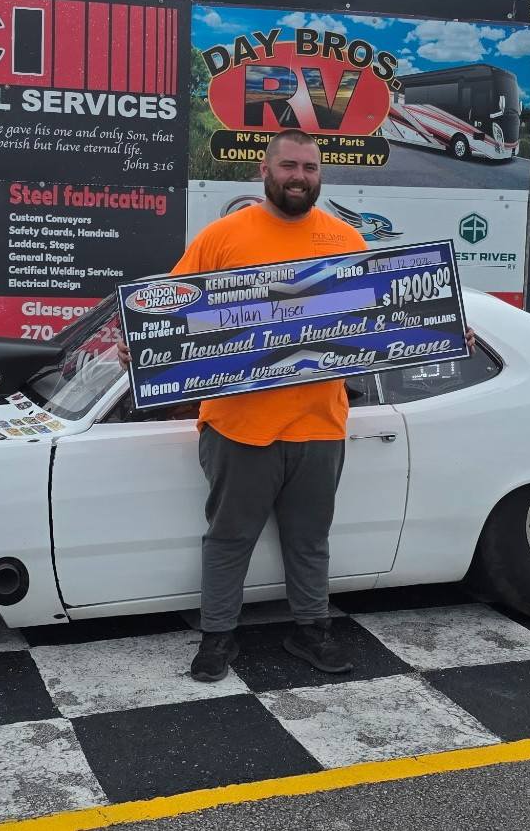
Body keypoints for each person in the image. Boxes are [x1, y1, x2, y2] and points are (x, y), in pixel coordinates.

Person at [167, 128, 367, 683]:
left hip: (319, 423)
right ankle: (217, 636)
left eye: (309, 167)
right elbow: (173, 312)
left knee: (310, 540)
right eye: (289, 166)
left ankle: (312, 630)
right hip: (238, 424)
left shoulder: (346, 239)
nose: (299, 177)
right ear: (264, 170)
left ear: (320, 174)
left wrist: (444, 332)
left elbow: (378, 318)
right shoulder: (222, 237)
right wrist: (140, 344)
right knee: (229, 538)